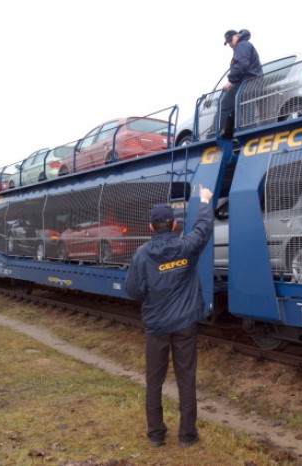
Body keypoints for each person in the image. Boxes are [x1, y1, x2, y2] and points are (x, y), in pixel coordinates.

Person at [125, 185, 214, 448]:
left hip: (156, 327)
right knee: (186, 379)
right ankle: (187, 436)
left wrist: (151, 292)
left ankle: (155, 435)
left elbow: (133, 290)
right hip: (185, 324)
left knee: (154, 380)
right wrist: (205, 201)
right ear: (174, 225)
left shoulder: (142, 255)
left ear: (151, 227)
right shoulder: (186, 247)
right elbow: (203, 228)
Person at [220, 29, 262, 139]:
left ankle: (220, 133)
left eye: (230, 41)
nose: (229, 44)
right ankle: (238, 132)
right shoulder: (243, 45)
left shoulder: (242, 45)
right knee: (245, 110)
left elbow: (241, 64)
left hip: (250, 81)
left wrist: (230, 80)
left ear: (237, 36)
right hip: (249, 81)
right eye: (228, 43)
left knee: (226, 104)